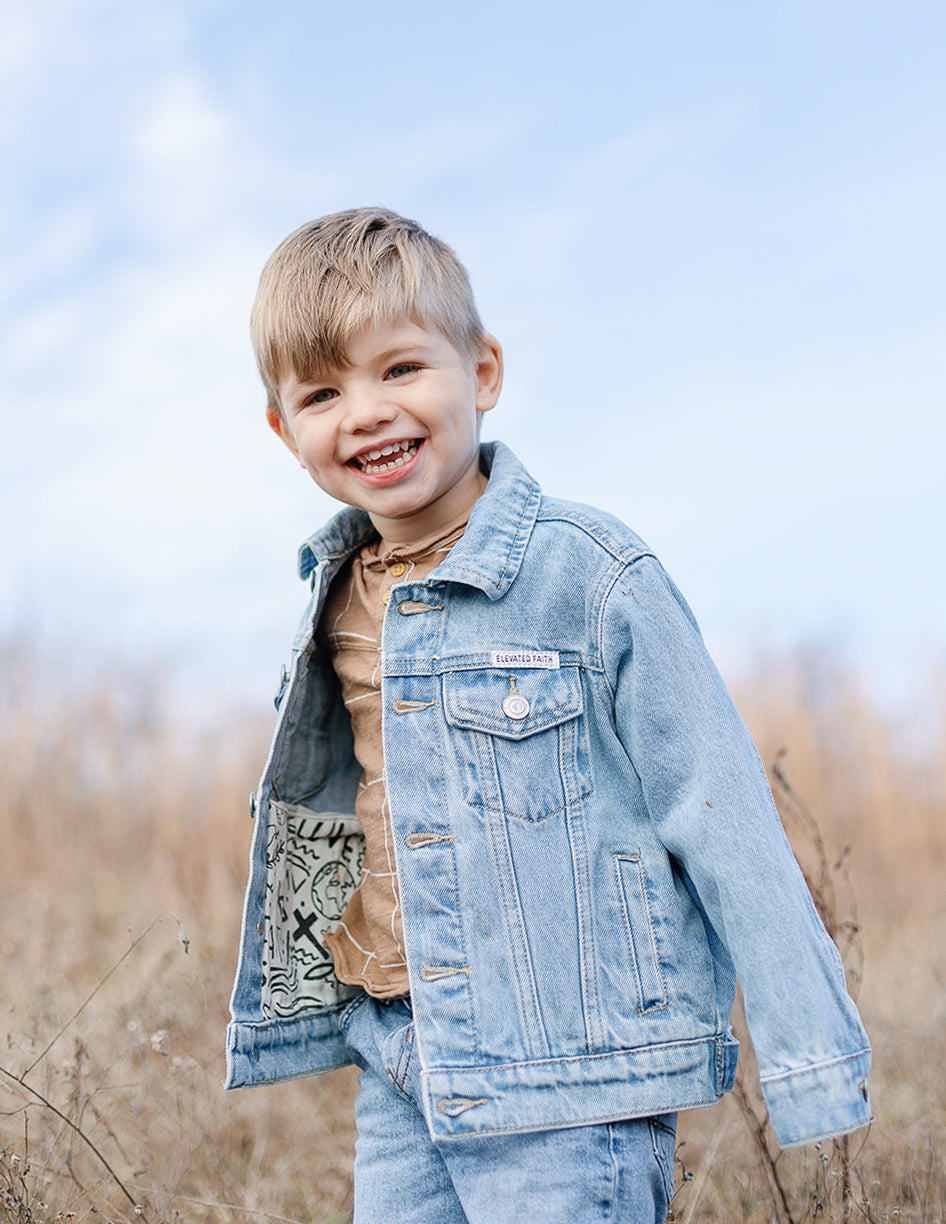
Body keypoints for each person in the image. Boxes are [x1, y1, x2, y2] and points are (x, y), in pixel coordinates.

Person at [226, 207, 871, 1224]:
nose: (366, 412)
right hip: (399, 1056)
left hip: (570, 1078)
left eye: (401, 369)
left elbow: (720, 808)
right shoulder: (335, 596)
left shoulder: (590, 574)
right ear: (283, 430)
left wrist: (811, 1060)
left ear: (482, 372)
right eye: (322, 392)